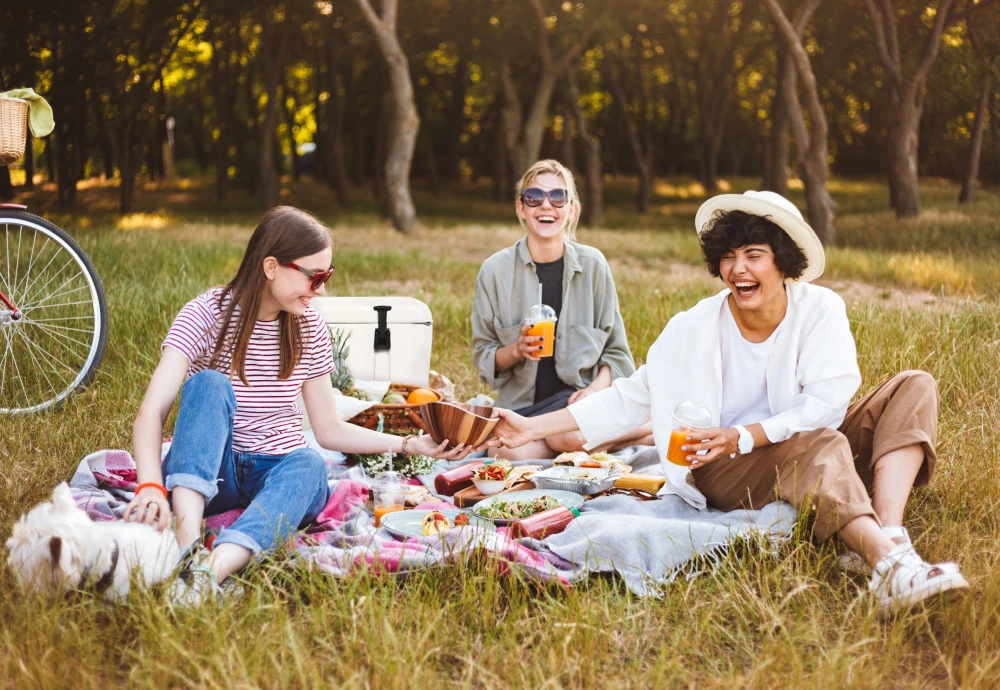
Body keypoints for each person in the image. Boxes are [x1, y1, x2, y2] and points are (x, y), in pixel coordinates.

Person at [482, 190, 969, 616]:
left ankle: (892, 537)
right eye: (729, 256)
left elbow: (829, 402)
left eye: (754, 255)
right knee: (816, 444)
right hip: (720, 466)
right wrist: (531, 429)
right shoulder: (692, 328)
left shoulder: (820, 310)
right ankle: (888, 564)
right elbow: (630, 399)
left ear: (783, 261)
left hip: (797, 445)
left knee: (914, 384)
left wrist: (748, 433)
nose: (739, 269)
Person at [123, 206, 470, 607]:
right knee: (207, 384)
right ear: (271, 266)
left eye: (328, 276)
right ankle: (186, 548)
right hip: (211, 474)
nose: (321, 289)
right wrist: (149, 486)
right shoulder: (207, 313)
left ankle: (210, 571)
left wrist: (409, 445)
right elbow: (151, 412)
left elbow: (329, 429)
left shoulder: (309, 326)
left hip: (277, 471)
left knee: (308, 463)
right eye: (315, 276)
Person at [471, 159, 652, 460]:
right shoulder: (494, 271)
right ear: (521, 208)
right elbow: (484, 358)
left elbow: (617, 353)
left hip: (579, 403)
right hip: (524, 409)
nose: (546, 206)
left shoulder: (594, 266)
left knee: (569, 433)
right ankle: (643, 433)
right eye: (534, 197)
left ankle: (631, 430)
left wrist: (594, 391)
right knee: (507, 454)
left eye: (558, 197)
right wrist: (517, 349)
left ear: (572, 210)